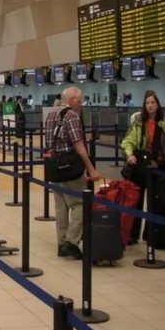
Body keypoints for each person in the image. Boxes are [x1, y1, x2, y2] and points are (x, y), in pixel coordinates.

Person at [44, 87, 101, 259]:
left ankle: (61, 243)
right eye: (79, 101)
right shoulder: (71, 116)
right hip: (70, 168)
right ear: (71, 100)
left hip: (54, 166)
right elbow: (78, 145)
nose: (80, 104)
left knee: (60, 207)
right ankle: (71, 242)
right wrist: (91, 169)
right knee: (79, 204)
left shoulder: (51, 114)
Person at [120, 90, 165, 245]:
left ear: (157, 105)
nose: (150, 105)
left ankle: (152, 235)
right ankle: (132, 234)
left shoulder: (163, 124)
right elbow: (128, 142)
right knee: (136, 200)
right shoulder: (139, 124)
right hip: (140, 166)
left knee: (156, 202)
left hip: (158, 168)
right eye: (147, 103)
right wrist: (129, 155)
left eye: (153, 102)